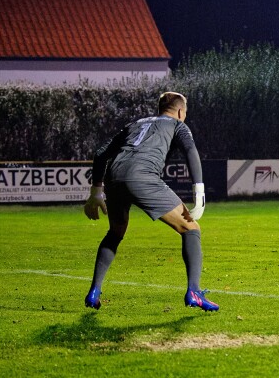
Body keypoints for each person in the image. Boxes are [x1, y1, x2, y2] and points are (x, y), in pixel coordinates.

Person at [83, 92, 218, 311]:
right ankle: (194, 291)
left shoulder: (135, 123)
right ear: (181, 111)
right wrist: (199, 192)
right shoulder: (177, 124)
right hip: (142, 176)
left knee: (115, 233)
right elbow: (190, 151)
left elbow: (100, 153)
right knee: (191, 227)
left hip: (114, 177)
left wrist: (96, 192)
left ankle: (94, 291)